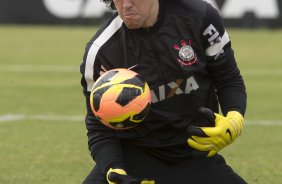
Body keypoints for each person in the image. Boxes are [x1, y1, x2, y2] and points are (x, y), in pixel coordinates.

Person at [80, 0, 247, 183]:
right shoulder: (101, 51)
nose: (126, 5)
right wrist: (114, 170)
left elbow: (228, 78)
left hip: (194, 155)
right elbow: (99, 126)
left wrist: (234, 117)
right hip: (135, 158)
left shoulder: (200, 17)